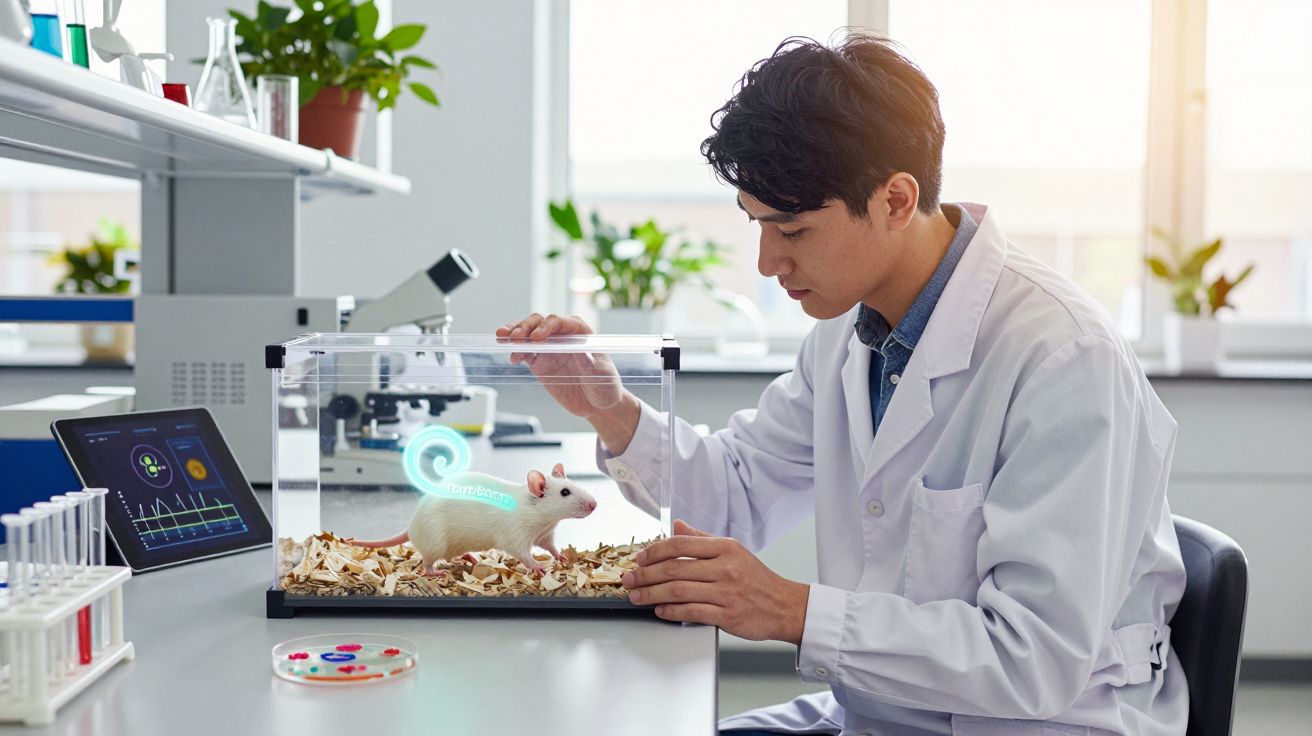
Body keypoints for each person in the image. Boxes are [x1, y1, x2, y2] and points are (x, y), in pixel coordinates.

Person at [499, 35, 1187, 736]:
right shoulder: (850, 330)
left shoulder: (1063, 355)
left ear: (895, 199)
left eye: (791, 229)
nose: (768, 262)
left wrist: (790, 611)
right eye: (758, 226)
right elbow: (732, 496)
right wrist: (609, 409)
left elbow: (1034, 659)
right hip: (881, 712)